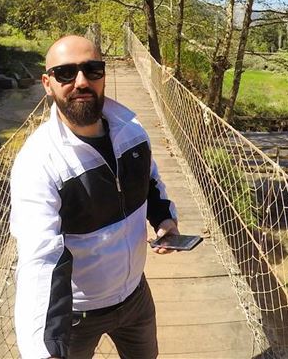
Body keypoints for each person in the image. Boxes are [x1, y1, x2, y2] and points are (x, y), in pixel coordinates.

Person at [10, 35, 179, 359]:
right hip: (77, 315)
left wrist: (163, 218)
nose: (81, 81)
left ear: (104, 75)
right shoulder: (38, 163)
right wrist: (43, 352)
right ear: (47, 83)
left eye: (92, 70)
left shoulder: (131, 130)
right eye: (65, 73)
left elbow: (150, 179)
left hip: (135, 296)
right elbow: (40, 261)